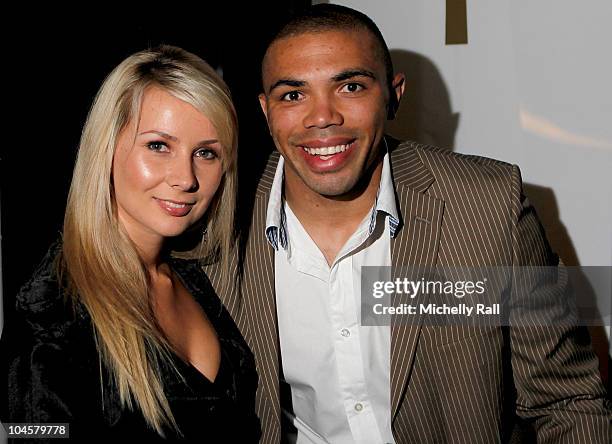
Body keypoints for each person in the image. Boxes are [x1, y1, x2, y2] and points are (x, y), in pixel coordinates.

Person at [204, 4, 611, 444]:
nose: (322, 117)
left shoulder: (489, 206)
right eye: (293, 95)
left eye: (351, 86)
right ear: (266, 112)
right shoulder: (219, 217)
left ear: (393, 95)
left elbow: (567, 402)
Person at [0, 45, 260, 442]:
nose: (186, 178)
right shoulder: (52, 318)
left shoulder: (197, 277)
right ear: (107, 148)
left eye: (206, 153)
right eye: (158, 146)